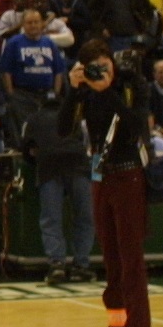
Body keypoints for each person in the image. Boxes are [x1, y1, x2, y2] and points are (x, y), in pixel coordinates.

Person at [61, 40, 152, 327]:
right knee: (112, 261)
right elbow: (63, 129)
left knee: (131, 261)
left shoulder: (132, 86)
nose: (102, 72)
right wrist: (73, 90)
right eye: (95, 68)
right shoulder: (86, 93)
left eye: (106, 65)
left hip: (128, 176)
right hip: (101, 178)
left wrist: (108, 90)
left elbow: (134, 126)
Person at [23, 92, 94, 284]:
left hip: (49, 168)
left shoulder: (33, 119)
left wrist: (35, 158)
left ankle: (57, 265)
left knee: (51, 218)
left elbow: (25, 149)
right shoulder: (75, 116)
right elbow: (90, 144)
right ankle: (81, 265)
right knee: (84, 217)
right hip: (79, 165)